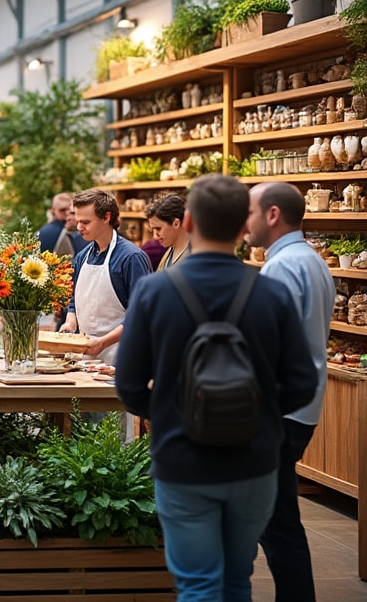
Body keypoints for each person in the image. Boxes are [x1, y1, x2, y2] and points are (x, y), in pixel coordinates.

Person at [115, 174, 318, 601]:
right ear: (244, 228)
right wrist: (258, 413)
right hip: (254, 461)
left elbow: (129, 385)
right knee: (236, 579)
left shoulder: (154, 291)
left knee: (198, 584)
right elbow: (302, 384)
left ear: (188, 221)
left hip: (182, 458)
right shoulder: (272, 293)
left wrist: (173, 411)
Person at [248, 182, 334, 601]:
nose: (244, 222)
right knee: (275, 518)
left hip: (279, 410)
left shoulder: (282, 267)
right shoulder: (311, 260)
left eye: (249, 212)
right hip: (301, 406)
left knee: (275, 522)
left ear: (272, 215)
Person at [59, 188, 152, 364]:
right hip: (87, 359)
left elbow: (141, 314)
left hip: (122, 359)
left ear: (106, 217)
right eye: (78, 221)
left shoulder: (131, 258)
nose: (79, 227)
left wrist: (103, 342)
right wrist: (71, 321)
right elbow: (75, 300)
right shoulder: (82, 257)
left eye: (86, 222)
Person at [145, 192, 190, 270]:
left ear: (176, 223)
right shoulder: (169, 252)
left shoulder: (194, 257)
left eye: (158, 229)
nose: (155, 236)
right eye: (153, 230)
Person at [38, 191, 89, 257]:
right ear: (53, 211)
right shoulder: (50, 231)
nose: (67, 213)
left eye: (72, 211)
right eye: (63, 210)